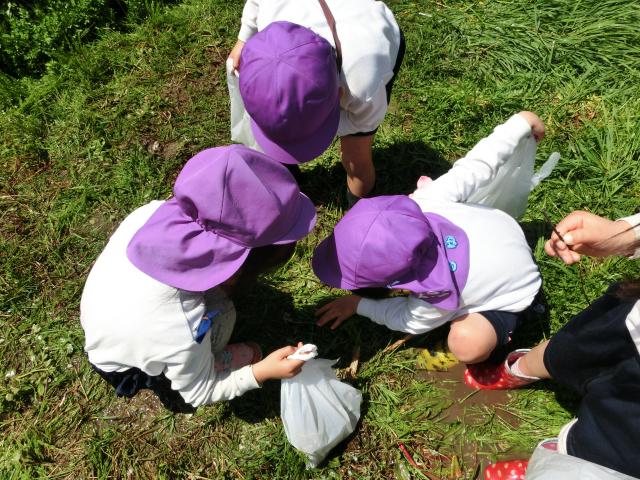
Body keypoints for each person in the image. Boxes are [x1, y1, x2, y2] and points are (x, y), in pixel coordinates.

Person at [80, 145, 317, 412]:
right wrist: (262, 371)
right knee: (224, 314)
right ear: (246, 261)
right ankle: (189, 374)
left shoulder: (150, 213)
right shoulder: (180, 324)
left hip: (116, 317)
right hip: (127, 364)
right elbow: (199, 392)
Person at [312, 112, 545, 366]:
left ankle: (519, 321)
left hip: (520, 287)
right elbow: (477, 166)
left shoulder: (437, 294)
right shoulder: (426, 201)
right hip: (503, 232)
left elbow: (406, 319)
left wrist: (359, 304)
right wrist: (520, 123)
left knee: (467, 343)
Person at [467, 210, 640, 479]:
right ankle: (521, 369)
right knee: (568, 349)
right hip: (631, 319)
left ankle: (556, 463)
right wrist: (628, 234)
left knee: (608, 446)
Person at [227, 0, 405, 205]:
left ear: (339, 94)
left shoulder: (363, 87)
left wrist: (320, 128)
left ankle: (361, 209)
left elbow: (362, 122)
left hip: (371, 36)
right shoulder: (269, 19)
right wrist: (243, 39)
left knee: (356, 158)